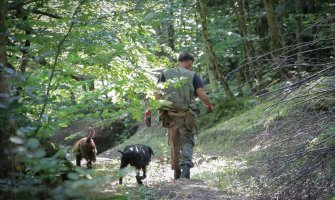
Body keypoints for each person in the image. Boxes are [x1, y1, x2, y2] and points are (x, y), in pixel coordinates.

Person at [145, 52, 213, 180]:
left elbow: (157, 94)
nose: (191, 67)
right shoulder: (193, 75)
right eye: (191, 64)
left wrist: (148, 111)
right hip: (187, 116)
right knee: (187, 140)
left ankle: (176, 171)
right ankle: (186, 166)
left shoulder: (165, 74)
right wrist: (208, 105)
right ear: (188, 62)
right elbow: (202, 96)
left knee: (174, 142)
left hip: (169, 116)